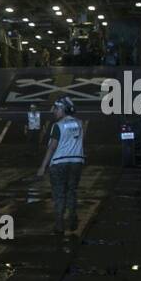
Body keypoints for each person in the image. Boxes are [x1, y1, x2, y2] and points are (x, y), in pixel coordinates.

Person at [37, 96, 86, 234]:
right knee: (71, 191)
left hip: (59, 163)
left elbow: (52, 147)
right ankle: (72, 219)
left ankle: (59, 224)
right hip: (76, 162)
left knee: (59, 194)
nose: (54, 111)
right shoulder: (80, 123)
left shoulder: (58, 126)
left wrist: (42, 167)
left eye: (57, 108)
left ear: (63, 109)